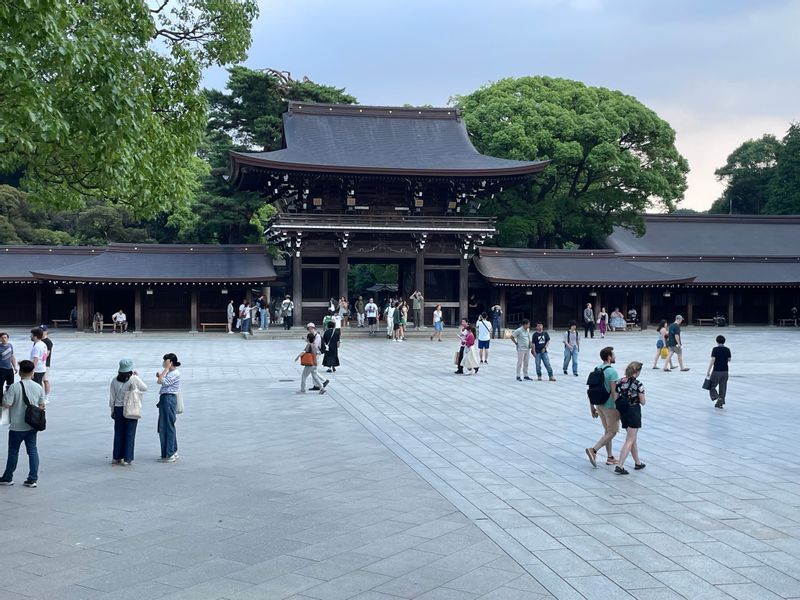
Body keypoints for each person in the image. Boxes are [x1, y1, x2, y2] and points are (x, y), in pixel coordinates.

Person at [0, 360, 46, 487]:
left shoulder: (14, 387)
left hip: (17, 426)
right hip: (32, 425)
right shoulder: (38, 387)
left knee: (13, 451)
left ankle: (8, 477)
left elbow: (7, 404)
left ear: (20, 372)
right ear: (32, 372)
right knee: (32, 450)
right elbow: (42, 405)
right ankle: (32, 478)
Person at [584, 347, 620, 468]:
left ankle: (610, 457)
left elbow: (591, 390)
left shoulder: (597, 368)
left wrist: (591, 407)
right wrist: (619, 406)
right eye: (613, 355)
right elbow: (614, 392)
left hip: (599, 404)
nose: (615, 357)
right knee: (613, 432)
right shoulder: (612, 372)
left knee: (607, 431)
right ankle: (593, 450)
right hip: (610, 406)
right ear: (609, 357)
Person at [109, 358, 147, 466]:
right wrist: (137, 377)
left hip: (118, 408)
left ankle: (116, 457)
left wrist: (112, 411)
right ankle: (127, 458)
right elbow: (145, 388)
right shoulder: (133, 378)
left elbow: (112, 398)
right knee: (130, 433)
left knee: (118, 433)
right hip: (131, 409)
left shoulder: (114, 380)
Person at [613, 361, 646, 474]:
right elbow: (643, 402)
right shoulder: (638, 384)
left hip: (623, 412)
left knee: (632, 438)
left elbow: (615, 397)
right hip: (634, 412)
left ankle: (637, 462)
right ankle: (620, 466)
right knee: (630, 439)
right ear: (637, 372)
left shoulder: (620, 382)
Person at [156, 353, 181, 463]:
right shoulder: (171, 373)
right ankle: (173, 450)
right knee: (169, 425)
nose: (164, 363)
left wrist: (165, 369)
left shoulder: (174, 373)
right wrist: (162, 373)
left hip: (168, 399)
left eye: (165, 361)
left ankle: (169, 453)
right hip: (167, 399)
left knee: (166, 425)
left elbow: (160, 382)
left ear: (170, 362)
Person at [706, 335, 731, 409]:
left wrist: (708, 370)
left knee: (711, 386)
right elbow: (729, 359)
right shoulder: (727, 349)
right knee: (723, 388)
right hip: (725, 371)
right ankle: (720, 404)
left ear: (717, 341)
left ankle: (718, 398)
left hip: (717, 370)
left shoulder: (715, 349)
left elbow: (713, 360)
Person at [0, 332, 18, 406]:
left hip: (9, 369)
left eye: (5, 337)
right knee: (0, 386)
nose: (4, 339)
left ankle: (9, 400)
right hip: (1, 369)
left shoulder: (10, 346)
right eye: (2, 338)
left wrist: (15, 367)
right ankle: (0, 401)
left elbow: (12, 356)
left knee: (10, 386)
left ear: (8, 338)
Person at [39, 325, 53, 401]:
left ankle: (46, 397)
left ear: (46, 331)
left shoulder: (48, 342)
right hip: (38, 364)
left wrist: (41, 359)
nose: (41, 332)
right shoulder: (38, 340)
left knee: (45, 380)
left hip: (45, 364)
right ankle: (40, 396)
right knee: (38, 380)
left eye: (43, 330)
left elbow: (47, 354)